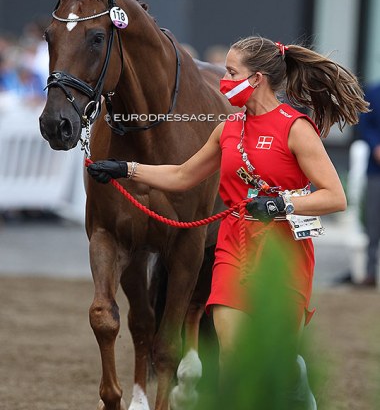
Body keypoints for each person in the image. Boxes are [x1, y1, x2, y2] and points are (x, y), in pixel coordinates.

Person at [87, 36, 369, 408]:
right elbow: (183, 175)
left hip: (282, 254)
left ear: (256, 80)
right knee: (232, 360)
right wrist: (126, 169)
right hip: (233, 247)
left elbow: (335, 196)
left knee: (277, 366)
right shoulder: (228, 128)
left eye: (231, 72)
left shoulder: (295, 128)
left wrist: (281, 204)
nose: (223, 80)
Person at [356, 83, 380, 287]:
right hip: (376, 172)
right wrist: (375, 146)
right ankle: (370, 273)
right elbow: (365, 124)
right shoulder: (374, 92)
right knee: (373, 224)